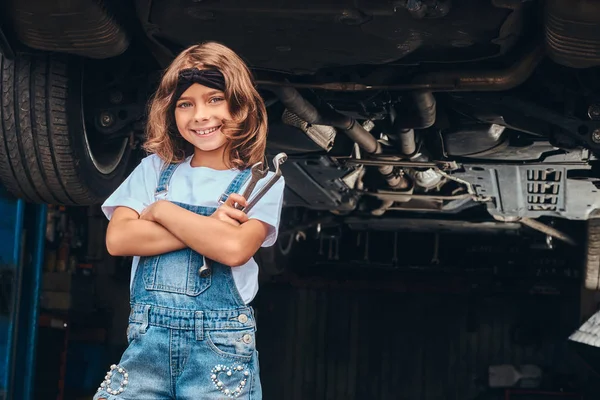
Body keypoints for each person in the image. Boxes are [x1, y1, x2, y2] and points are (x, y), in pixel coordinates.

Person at [93, 41, 285, 399]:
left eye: (214, 99)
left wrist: (163, 212)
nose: (200, 115)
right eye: (185, 104)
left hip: (219, 351)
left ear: (240, 106)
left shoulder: (261, 180)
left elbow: (232, 249)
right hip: (147, 346)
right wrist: (209, 225)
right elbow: (118, 239)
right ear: (171, 112)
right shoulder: (154, 169)